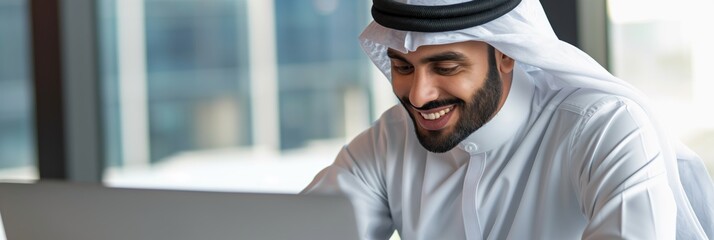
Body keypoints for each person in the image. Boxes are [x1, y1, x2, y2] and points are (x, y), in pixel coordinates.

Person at [301, 0, 714, 239]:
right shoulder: (389, 139)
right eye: (403, 68)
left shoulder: (605, 127)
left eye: (445, 67)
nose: (417, 94)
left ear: (506, 53)